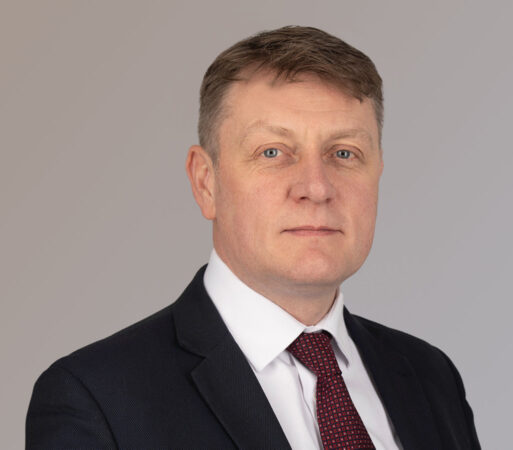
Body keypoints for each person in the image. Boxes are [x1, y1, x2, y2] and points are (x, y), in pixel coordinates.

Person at [26, 26, 481, 449]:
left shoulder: (430, 378)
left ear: (378, 172)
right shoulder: (97, 399)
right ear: (206, 182)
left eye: (344, 153)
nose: (316, 187)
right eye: (273, 152)